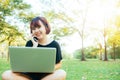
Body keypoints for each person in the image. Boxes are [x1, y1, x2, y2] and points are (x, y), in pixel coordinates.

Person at [2, 16, 66, 80]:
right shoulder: (30, 43)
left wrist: (47, 69)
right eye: (33, 28)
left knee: (62, 73)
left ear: (46, 27)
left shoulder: (55, 44)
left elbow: (59, 64)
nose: (36, 30)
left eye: (39, 27)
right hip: (28, 76)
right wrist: (34, 46)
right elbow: (26, 63)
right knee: (6, 74)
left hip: (46, 76)